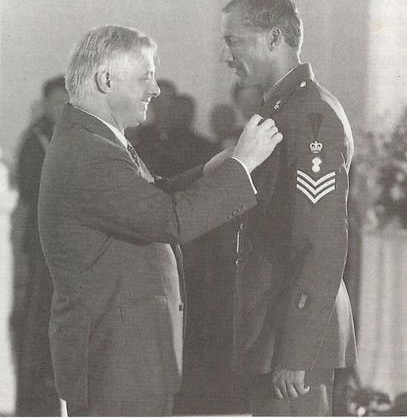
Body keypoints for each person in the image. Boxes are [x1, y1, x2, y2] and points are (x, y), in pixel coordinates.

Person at [38, 25, 282, 417]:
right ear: (105, 80)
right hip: (117, 359)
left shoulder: (92, 135)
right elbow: (168, 221)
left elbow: (149, 198)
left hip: (121, 353)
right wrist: (243, 165)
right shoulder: (90, 151)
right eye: (145, 76)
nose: (154, 89)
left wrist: (214, 168)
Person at [220, 0, 357, 416]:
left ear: (274, 38)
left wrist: (296, 350)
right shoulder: (283, 110)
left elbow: (321, 242)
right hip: (274, 323)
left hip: (294, 330)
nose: (228, 56)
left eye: (235, 41)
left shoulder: (308, 115)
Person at [11, 75, 67, 416]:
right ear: (46, 104)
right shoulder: (34, 139)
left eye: (66, 101)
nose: (62, 108)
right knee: (38, 309)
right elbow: (35, 190)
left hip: (64, 240)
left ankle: (52, 373)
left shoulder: (70, 135)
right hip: (42, 239)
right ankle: (32, 380)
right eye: (56, 102)